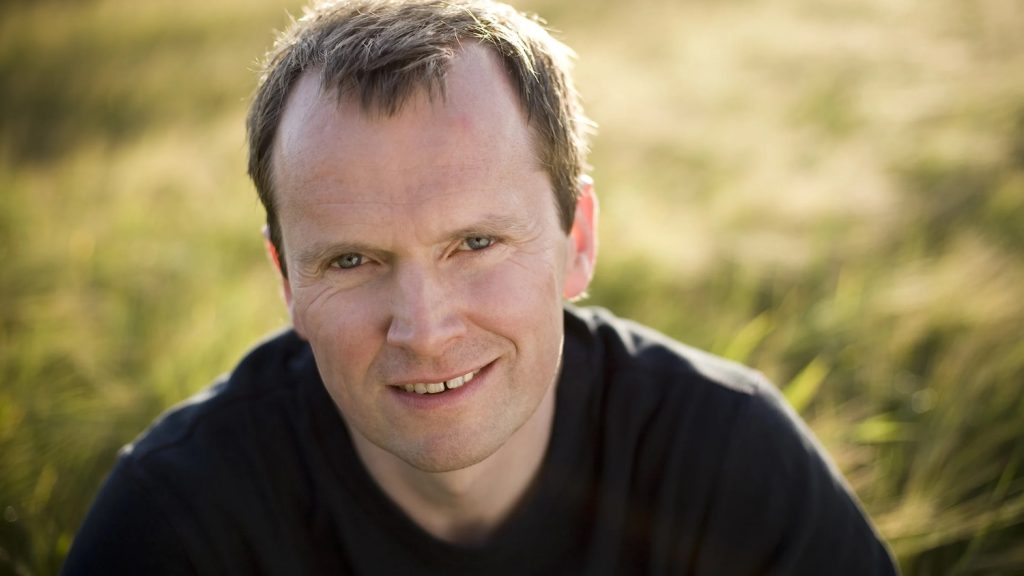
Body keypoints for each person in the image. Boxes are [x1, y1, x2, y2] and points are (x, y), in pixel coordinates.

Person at [62, 0, 899, 574]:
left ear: (578, 241)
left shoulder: (729, 460)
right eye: (351, 261)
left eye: (475, 243)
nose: (423, 330)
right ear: (287, 279)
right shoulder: (179, 521)